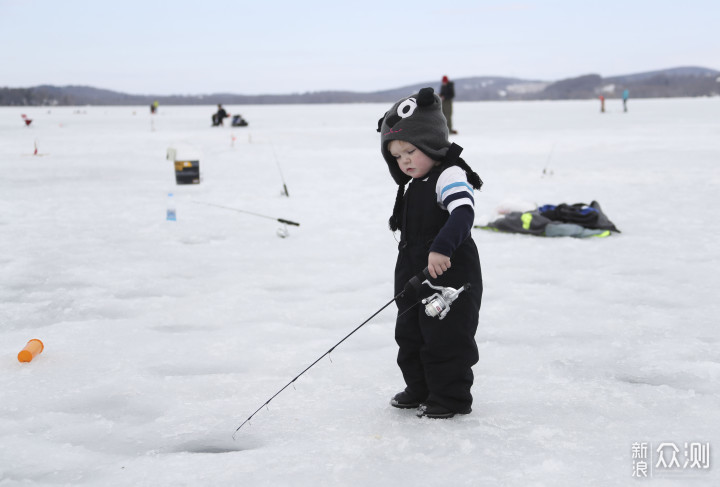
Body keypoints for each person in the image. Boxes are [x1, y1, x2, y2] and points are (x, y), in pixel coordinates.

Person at [377, 87, 483, 419]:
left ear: (431, 142)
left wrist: (441, 247)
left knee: (445, 337)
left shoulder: (449, 175)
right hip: (413, 273)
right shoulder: (415, 183)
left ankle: (450, 397)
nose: (405, 160)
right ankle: (420, 388)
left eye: (410, 150)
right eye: (396, 156)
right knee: (410, 333)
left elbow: (463, 213)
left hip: (449, 273)